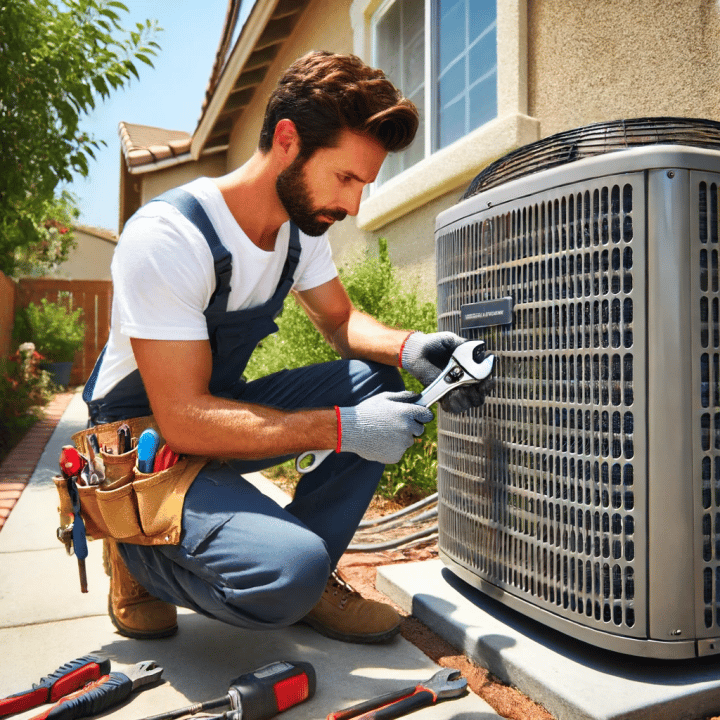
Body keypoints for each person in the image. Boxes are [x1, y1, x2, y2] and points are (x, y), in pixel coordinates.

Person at [83, 50, 488, 644]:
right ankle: (138, 547)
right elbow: (183, 419)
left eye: (364, 184)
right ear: (288, 140)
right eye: (346, 178)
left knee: (377, 382)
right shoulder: (169, 237)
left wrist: (409, 348)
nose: (353, 206)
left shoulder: (300, 231)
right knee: (285, 574)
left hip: (217, 410)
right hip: (145, 439)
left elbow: (342, 320)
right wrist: (340, 429)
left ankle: (313, 570)